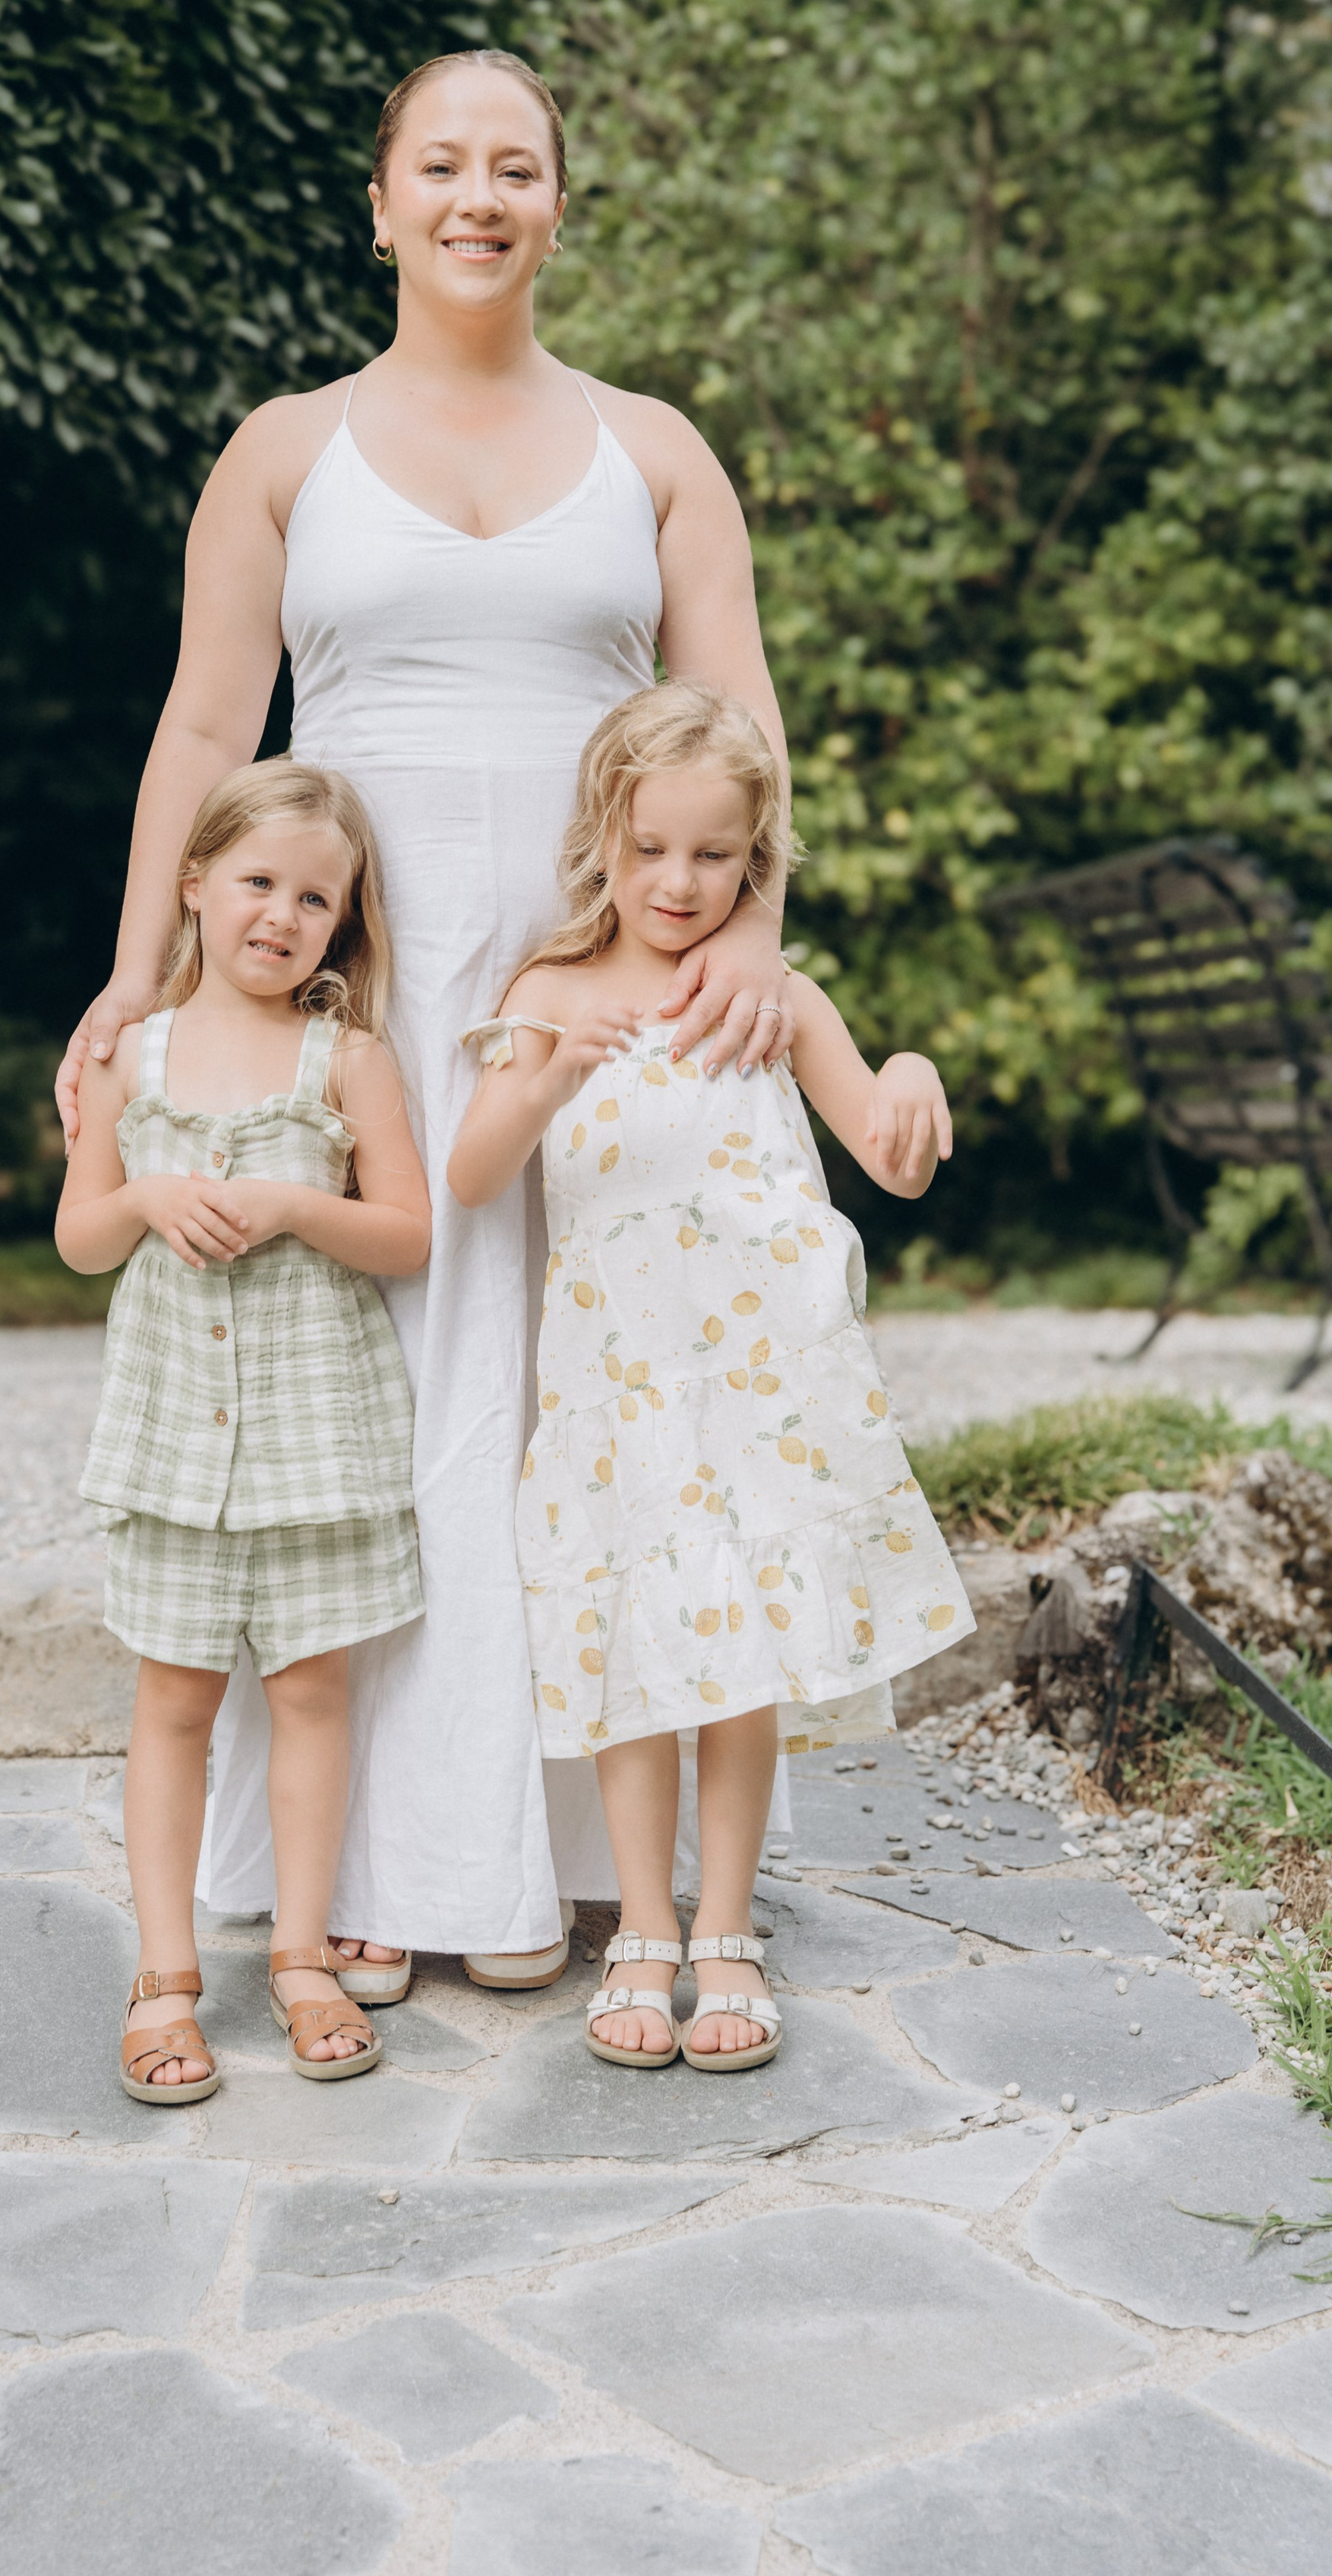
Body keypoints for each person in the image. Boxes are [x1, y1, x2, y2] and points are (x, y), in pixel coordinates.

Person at [57, 46, 798, 1994]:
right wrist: (139, 974)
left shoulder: (655, 453)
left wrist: (753, 943)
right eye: (442, 165)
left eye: (520, 166)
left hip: (593, 1002)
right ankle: (376, 1864)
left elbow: (741, 730)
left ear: (563, 205)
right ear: (376, 200)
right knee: (374, 1406)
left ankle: (601, 1873)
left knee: (590, 1401)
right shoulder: (286, 451)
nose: (481, 195)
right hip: (361, 994)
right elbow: (207, 733)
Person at [447, 685, 976, 2070]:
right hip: (618, 1391)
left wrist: (912, 1071)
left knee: (741, 1658)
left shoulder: (773, 995)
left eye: (714, 856)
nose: (680, 884)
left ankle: (726, 1924)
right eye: (651, 851)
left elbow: (887, 1151)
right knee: (636, 1652)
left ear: (758, 861)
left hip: (758, 1384)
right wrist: (542, 1080)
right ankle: (640, 1924)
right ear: (602, 847)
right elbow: (472, 1173)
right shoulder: (550, 998)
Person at [56, 760, 431, 2095]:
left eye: (315, 897)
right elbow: (80, 1235)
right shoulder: (131, 1054)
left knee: (312, 1694)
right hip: (173, 1445)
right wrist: (152, 1194)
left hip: (311, 1438)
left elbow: (406, 1231)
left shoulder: (350, 1059)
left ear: (343, 924)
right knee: (173, 1705)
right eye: (259, 882)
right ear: (196, 886)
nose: (282, 914)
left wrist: (292, 1209)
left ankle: (301, 1956)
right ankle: (164, 1977)